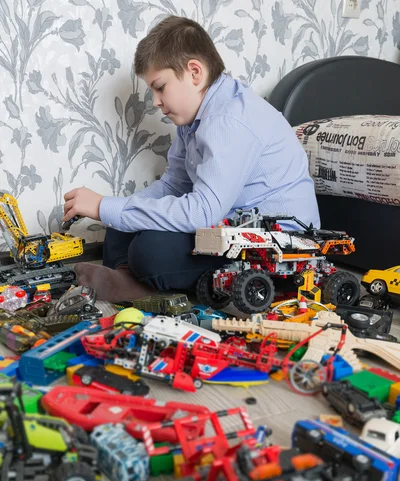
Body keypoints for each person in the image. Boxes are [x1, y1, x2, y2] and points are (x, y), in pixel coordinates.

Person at [63, 16, 320, 303]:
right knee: (120, 221)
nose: (156, 101)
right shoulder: (193, 121)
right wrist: (109, 207)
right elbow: (174, 185)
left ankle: (142, 282)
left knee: (149, 249)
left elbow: (202, 213)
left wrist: (102, 206)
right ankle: (131, 281)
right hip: (232, 229)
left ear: (194, 72)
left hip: (276, 245)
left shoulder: (228, 120)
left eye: (160, 87)